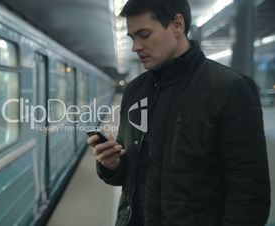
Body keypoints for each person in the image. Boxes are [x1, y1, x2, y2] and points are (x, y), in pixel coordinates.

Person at [87, 0, 271, 225]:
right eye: (132, 38)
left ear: (177, 25)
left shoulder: (230, 89)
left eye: (144, 34)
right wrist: (112, 165)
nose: (135, 46)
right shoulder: (135, 91)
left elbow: (249, 195)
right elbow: (131, 175)